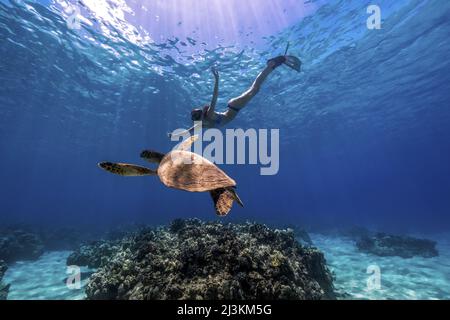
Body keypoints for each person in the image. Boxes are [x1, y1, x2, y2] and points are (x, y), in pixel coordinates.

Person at [169, 55, 300, 138]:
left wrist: (217, 79)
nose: (198, 121)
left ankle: (271, 65)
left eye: (198, 118)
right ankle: (271, 66)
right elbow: (187, 132)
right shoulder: (202, 125)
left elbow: (214, 96)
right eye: (197, 119)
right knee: (254, 89)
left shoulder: (208, 115)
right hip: (233, 107)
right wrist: (173, 135)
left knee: (254, 89)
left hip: (234, 107)